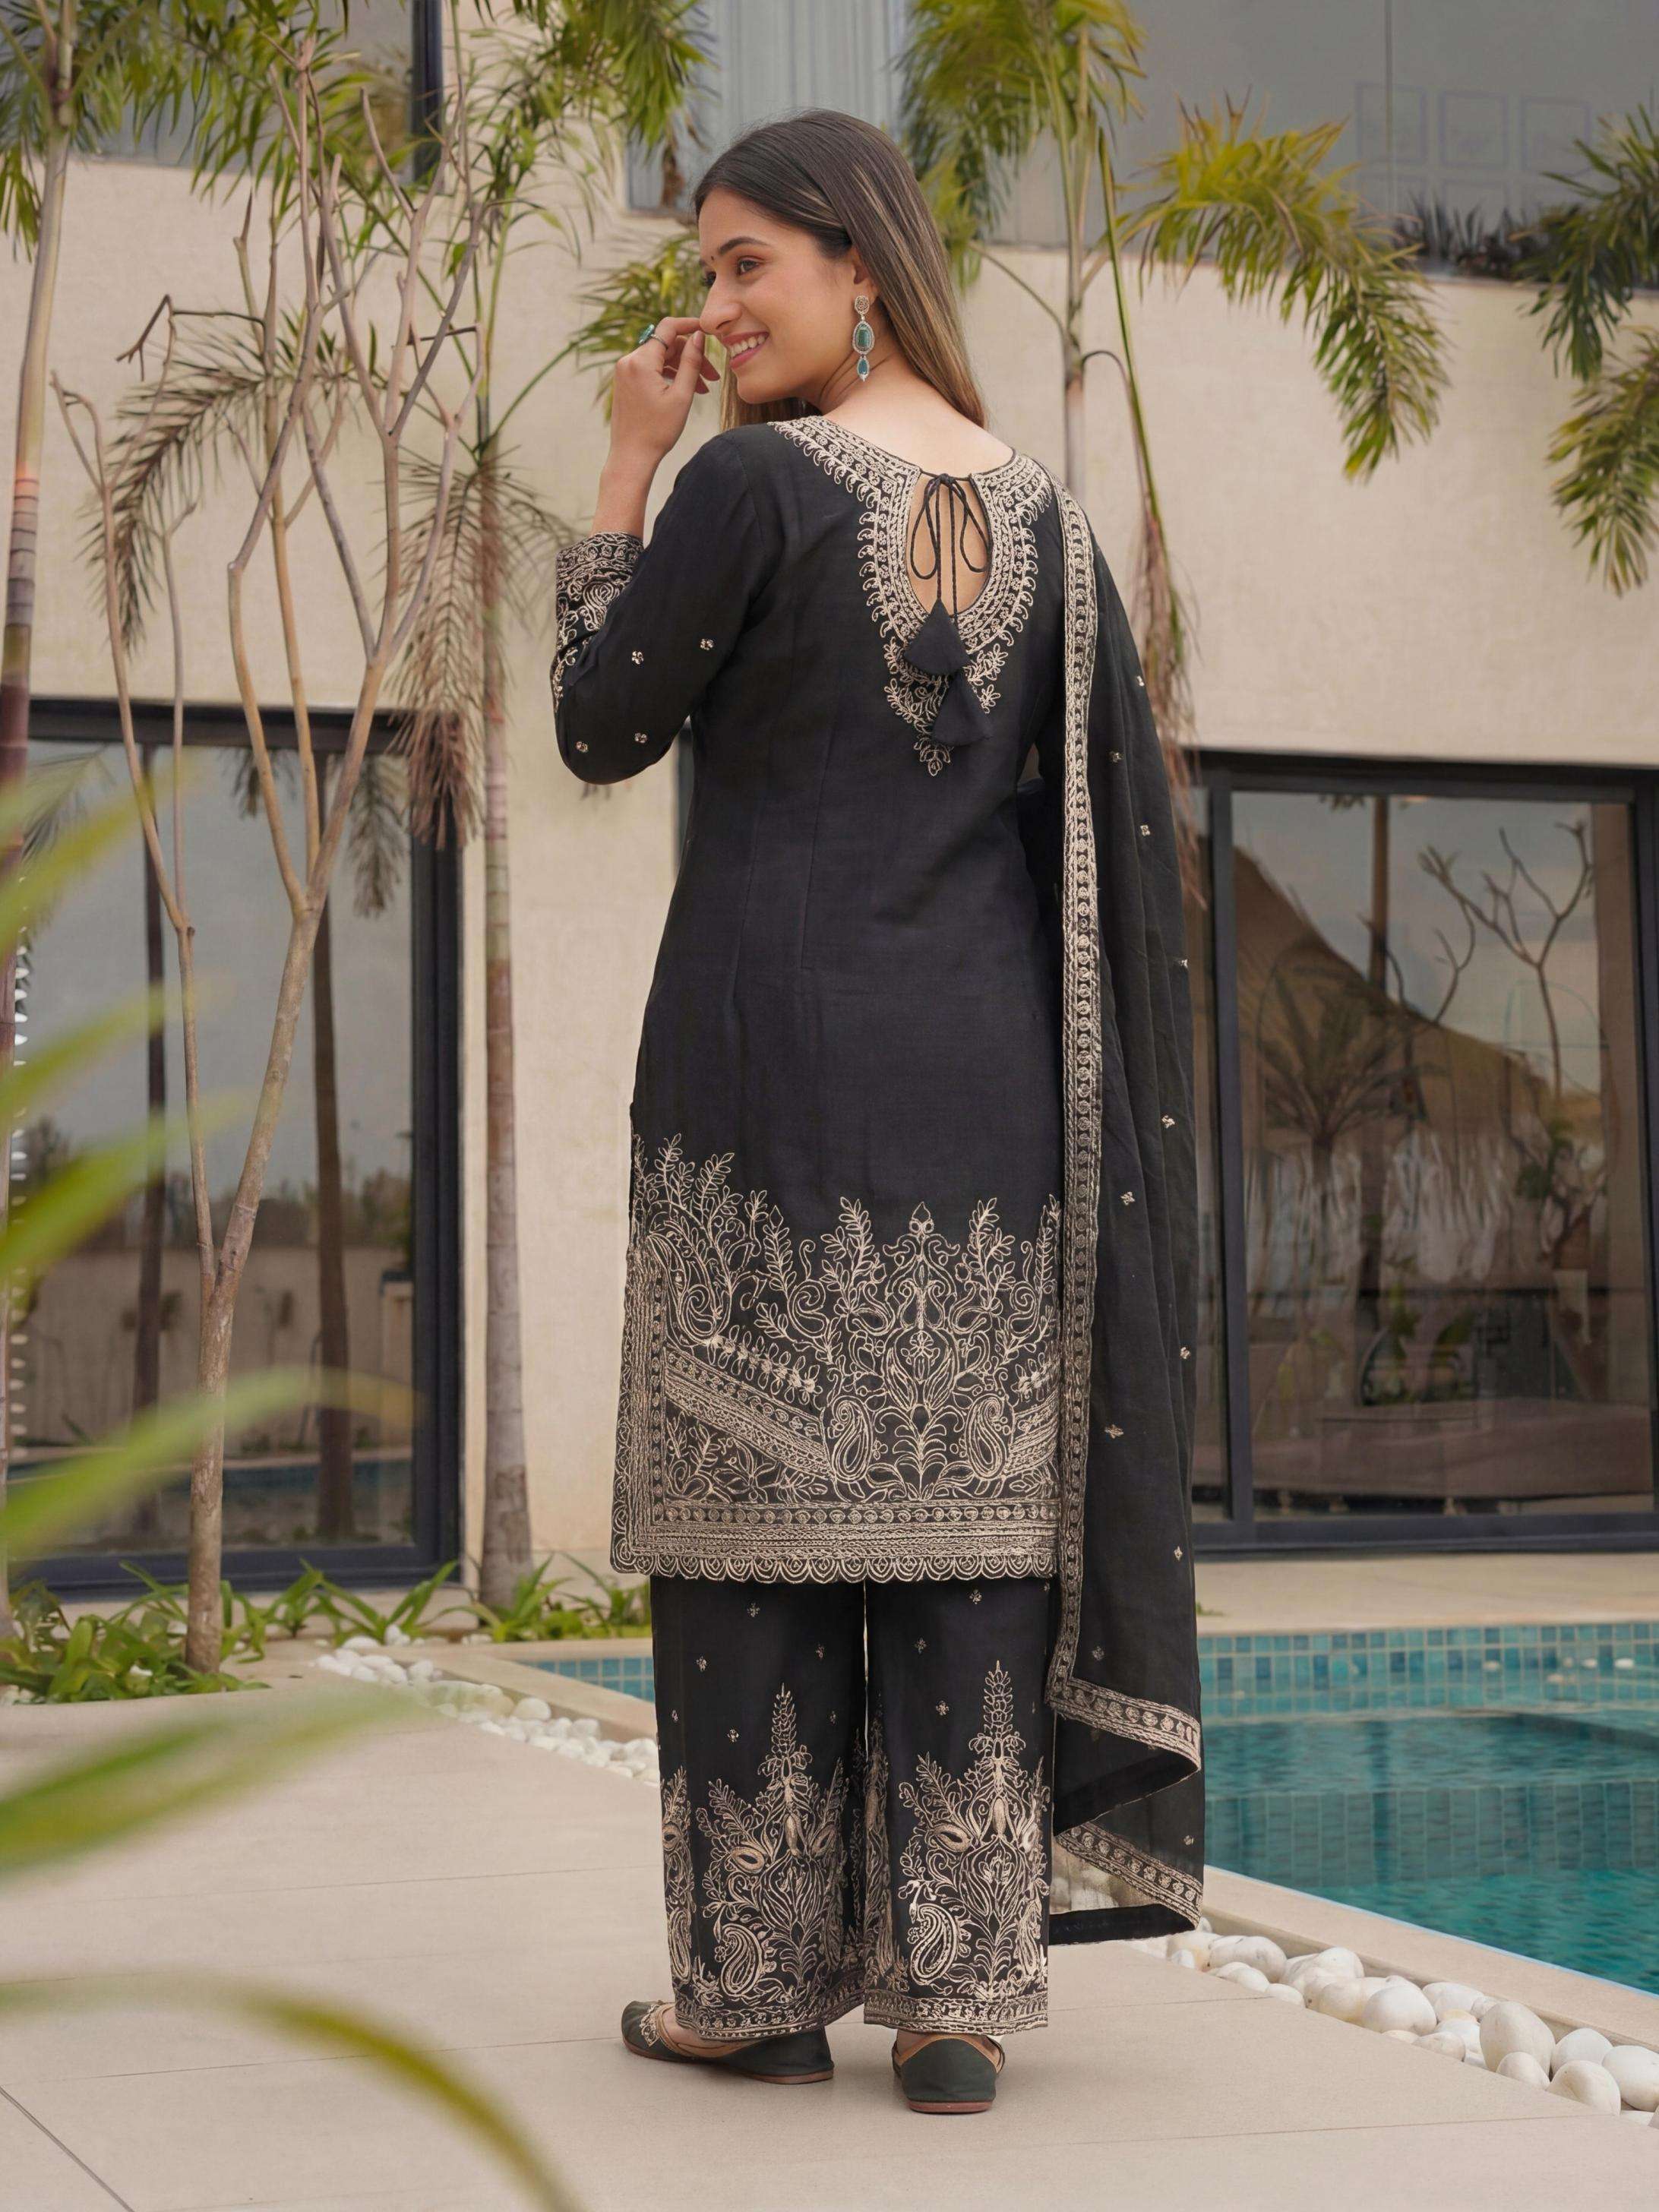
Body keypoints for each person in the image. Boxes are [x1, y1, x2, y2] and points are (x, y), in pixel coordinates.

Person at [550, 107, 1203, 2117]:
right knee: (960, 1530)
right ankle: (953, 2004)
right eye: (708, 269)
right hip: (989, 1097)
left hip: (764, 1080)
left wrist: (626, 466)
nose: (717, 303)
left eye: (747, 262)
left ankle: (752, 1995)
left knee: (754, 1536)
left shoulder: (746, 484)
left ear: (859, 260)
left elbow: (600, 721)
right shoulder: (1054, 526)